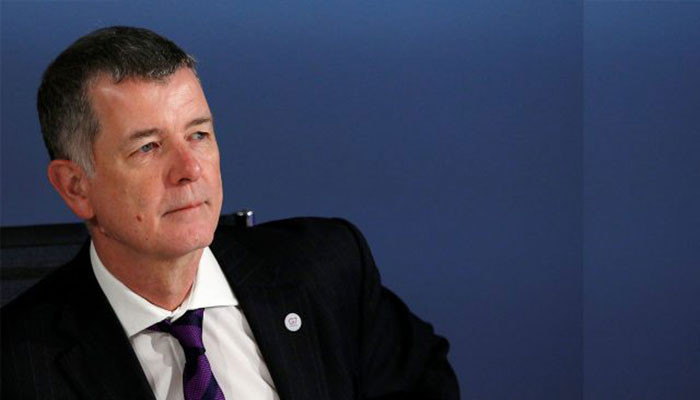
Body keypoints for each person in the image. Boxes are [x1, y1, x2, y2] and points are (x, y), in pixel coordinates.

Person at [0, 26, 459, 400]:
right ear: (76, 187)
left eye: (198, 135)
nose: (190, 169)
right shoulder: (18, 366)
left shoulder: (329, 270)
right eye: (148, 147)